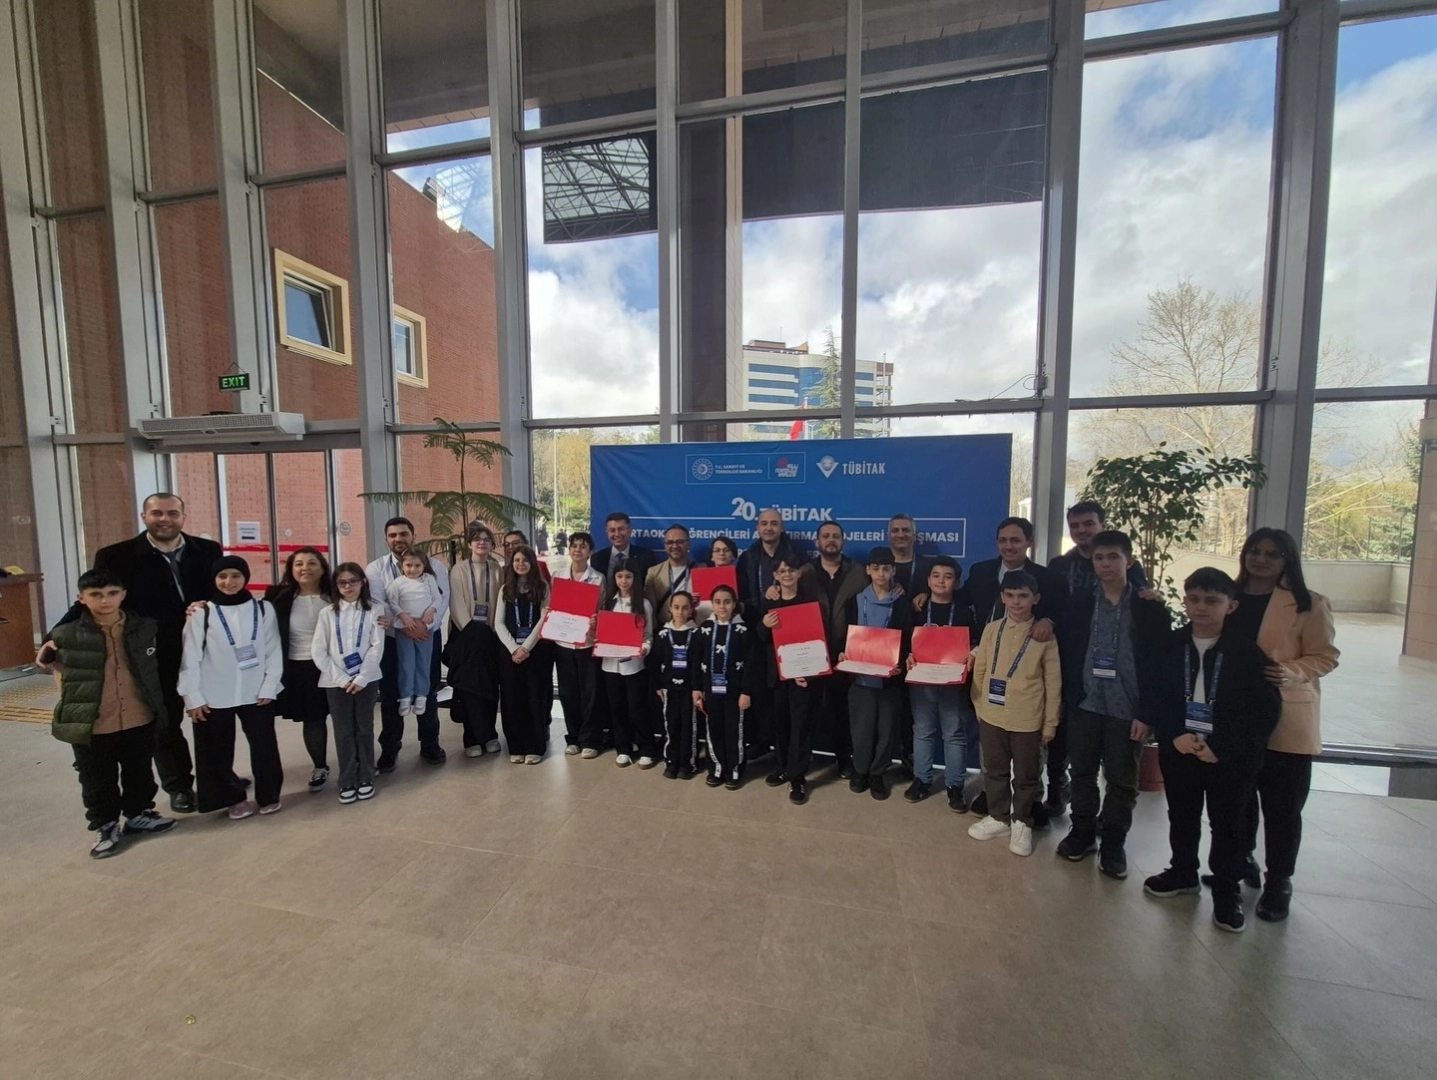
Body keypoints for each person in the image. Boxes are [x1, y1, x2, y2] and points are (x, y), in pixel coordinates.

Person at [42, 492, 223, 813]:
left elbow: (222, 592)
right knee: (164, 723)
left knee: (212, 716)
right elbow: (94, 597)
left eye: (172, 513)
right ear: (144, 517)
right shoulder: (116, 556)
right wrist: (53, 636)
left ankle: (219, 779)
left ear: (183, 517)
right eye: (157, 513)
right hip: (151, 652)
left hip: (205, 648)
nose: (164, 519)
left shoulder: (207, 550)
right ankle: (179, 786)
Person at [1144, 567, 1282, 932]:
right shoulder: (1170, 645)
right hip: (1181, 747)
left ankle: (1226, 889)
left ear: (1230, 606)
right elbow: (1155, 695)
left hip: (1227, 756)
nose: (1201, 607)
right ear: (1185, 601)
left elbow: (1263, 712)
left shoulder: (1247, 653)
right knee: (1182, 814)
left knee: (1228, 823)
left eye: (1212, 601)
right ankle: (1183, 871)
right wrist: (1173, 734)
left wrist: (1222, 747)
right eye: (1194, 599)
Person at [1227, 528, 1340, 922]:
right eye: (1255, 551)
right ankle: (1240, 861)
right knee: (1237, 801)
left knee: (1283, 808)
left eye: (1272, 554)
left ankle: (1279, 882)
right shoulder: (1229, 597)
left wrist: (1290, 671)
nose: (1261, 559)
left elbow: (1325, 656)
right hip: (1234, 717)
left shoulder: (1309, 603)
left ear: (1287, 560)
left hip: (1286, 715)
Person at [1056, 531, 1168, 879]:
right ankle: (1082, 832)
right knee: (1082, 773)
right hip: (1085, 703)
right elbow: (1068, 651)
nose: (1105, 564)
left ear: (1129, 561)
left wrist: (1148, 715)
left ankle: (1114, 843)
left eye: (1113, 557)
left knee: (1122, 780)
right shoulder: (1079, 602)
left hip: (1127, 708)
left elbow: (1158, 666)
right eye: (1099, 558)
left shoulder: (1149, 607)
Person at [48, 569, 176, 858]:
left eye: (112, 593)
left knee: (139, 770)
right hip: (93, 720)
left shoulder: (144, 628)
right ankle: (105, 825)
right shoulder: (66, 634)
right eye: (96, 595)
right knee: (97, 778)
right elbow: (59, 673)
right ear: (81, 598)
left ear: (123, 595)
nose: (105, 600)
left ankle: (139, 814)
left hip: (138, 714)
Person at [959, 517, 1068, 820]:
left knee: (1028, 752)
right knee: (992, 745)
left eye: (1016, 540)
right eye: (1003, 540)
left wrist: (1050, 621)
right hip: (990, 657)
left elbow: (1064, 609)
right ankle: (992, 795)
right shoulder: (981, 571)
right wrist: (925, 595)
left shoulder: (1048, 578)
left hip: (1026, 671)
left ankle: (1031, 801)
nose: (1009, 546)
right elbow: (960, 598)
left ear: (1029, 542)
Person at [178, 556, 284, 820]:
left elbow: (273, 650)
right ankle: (231, 798)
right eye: (222, 576)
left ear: (245, 577)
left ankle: (269, 794)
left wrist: (269, 686)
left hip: (256, 691)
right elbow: (190, 657)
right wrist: (192, 697)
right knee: (215, 751)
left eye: (236, 575)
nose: (229, 582)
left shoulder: (263, 609)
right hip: (214, 692)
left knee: (264, 746)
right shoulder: (201, 613)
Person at [967, 570, 1062, 857]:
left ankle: (1022, 822)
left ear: (1036, 599)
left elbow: (1053, 683)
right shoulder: (992, 629)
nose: (1016, 601)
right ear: (1002, 598)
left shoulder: (1044, 636)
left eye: (1023, 596)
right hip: (991, 714)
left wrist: (1050, 724)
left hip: (1027, 718)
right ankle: (999, 817)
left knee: (1026, 775)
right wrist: (979, 705)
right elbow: (981, 670)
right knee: (994, 769)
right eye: (1010, 595)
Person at [365, 517, 449, 770]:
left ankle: (430, 743)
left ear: (413, 536)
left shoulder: (434, 566)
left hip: (427, 635)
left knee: (428, 689)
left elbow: (442, 598)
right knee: (391, 693)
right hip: (392, 639)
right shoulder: (376, 569)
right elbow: (379, 604)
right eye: (393, 535)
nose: (398, 539)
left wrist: (425, 627)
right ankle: (390, 748)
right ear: (386, 539)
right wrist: (405, 627)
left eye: (403, 534)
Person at [840, 546, 912, 801]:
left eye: (886, 569)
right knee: (861, 729)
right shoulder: (855, 602)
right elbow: (845, 635)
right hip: (860, 678)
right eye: (876, 568)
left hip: (889, 679)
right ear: (868, 570)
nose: (881, 573)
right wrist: (842, 653)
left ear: (894, 571)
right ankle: (860, 770)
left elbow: (906, 639)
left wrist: (900, 662)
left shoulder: (901, 604)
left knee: (886, 729)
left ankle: (878, 773)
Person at [312, 563, 387, 804]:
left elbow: (376, 647)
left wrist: (362, 677)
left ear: (362, 582)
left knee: (364, 728)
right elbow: (319, 651)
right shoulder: (327, 613)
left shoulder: (375, 610)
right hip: (336, 682)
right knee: (343, 731)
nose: (348, 586)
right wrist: (342, 679)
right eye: (342, 582)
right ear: (336, 585)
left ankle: (366, 776)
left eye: (353, 581)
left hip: (367, 680)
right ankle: (346, 780)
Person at [908, 556, 976, 812]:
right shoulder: (917, 608)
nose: (941, 581)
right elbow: (905, 639)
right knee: (922, 730)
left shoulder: (964, 611)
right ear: (928, 581)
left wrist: (972, 653)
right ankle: (922, 779)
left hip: (952, 682)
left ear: (956, 582)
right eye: (936, 576)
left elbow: (975, 642)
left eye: (948, 577)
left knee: (954, 733)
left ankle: (955, 785)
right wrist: (907, 655)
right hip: (922, 680)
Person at [801, 520, 867, 778]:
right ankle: (801, 763)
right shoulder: (803, 572)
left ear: (843, 541)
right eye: (826, 536)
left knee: (842, 712)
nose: (831, 540)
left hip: (844, 653)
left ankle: (843, 759)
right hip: (811, 653)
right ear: (817, 542)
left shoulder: (858, 573)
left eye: (835, 536)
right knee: (807, 711)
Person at [265, 547, 334, 792]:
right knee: (313, 719)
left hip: (335, 666)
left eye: (312, 563)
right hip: (299, 667)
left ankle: (356, 760)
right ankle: (320, 766)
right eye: (299, 564)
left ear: (323, 568)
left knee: (346, 718)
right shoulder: (278, 598)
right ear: (291, 569)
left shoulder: (335, 595)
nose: (305, 568)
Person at [759, 552, 823, 804]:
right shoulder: (768, 602)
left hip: (802, 676)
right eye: (781, 571)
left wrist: (806, 671)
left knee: (800, 726)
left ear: (798, 573)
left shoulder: (809, 602)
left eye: (791, 569)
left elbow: (815, 640)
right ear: (775, 575)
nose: (786, 574)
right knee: (781, 724)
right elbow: (760, 639)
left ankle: (797, 776)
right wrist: (764, 625)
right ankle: (783, 766)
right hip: (777, 676)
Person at [737, 508, 794, 757]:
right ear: (757, 528)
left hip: (787, 635)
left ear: (782, 527)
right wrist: (761, 602)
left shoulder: (795, 556)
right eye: (764, 523)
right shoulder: (748, 557)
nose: (768, 528)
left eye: (774, 523)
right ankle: (761, 741)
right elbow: (740, 597)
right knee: (758, 690)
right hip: (755, 632)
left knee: (784, 697)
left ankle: (785, 750)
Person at [446, 523, 505, 758]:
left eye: (486, 539)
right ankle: (471, 738)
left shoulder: (497, 569)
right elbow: (456, 603)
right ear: (469, 544)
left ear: (492, 545)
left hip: (492, 634)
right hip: (467, 635)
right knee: (470, 689)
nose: (482, 543)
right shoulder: (458, 570)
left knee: (489, 687)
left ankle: (489, 735)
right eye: (477, 539)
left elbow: (502, 600)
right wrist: (470, 629)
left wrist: (494, 629)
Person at [691, 583, 754, 789]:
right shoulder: (705, 629)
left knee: (734, 730)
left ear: (734, 604)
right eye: (717, 602)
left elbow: (751, 663)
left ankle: (734, 768)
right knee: (713, 729)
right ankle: (716, 767)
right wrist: (697, 688)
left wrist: (746, 691)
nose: (722, 606)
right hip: (710, 690)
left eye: (727, 602)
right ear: (712, 604)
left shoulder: (743, 630)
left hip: (735, 692)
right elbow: (696, 659)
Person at [494, 544, 553, 764]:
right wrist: (514, 649)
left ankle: (535, 746)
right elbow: (498, 623)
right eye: (517, 560)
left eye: (525, 560)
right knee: (512, 698)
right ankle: (516, 746)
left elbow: (544, 619)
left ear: (532, 563)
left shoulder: (542, 588)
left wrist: (526, 648)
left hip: (536, 652)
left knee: (535, 698)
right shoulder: (505, 589)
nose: (521, 564)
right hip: (510, 654)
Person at [551, 531, 607, 758]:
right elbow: (552, 605)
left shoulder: (598, 578)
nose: (577, 550)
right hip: (563, 643)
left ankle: (590, 740)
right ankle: (573, 738)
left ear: (590, 551)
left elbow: (603, 609)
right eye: (574, 546)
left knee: (590, 694)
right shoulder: (558, 576)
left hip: (587, 643)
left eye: (583, 546)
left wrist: (597, 619)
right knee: (568, 693)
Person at [601, 563, 658, 768]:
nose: (623, 581)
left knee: (637, 708)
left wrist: (645, 648)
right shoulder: (608, 603)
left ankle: (646, 748)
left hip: (634, 665)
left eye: (628, 576)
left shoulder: (643, 604)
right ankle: (623, 748)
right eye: (619, 576)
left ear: (635, 579)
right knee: (617, 708)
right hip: (610, 665)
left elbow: (649, 635)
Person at [384, 551, 444, 717]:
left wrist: (431, 610)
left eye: (417, 565)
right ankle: (405, 695)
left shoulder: (428, 579)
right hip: (404, 628)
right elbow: (392, 603)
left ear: (424, 566)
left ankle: (421, 694)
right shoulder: (397, 583)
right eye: (408, 565)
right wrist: (403, 617)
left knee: (423, 662)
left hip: (425, 627)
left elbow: (437, 599)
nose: (412, 569)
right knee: (406, 663)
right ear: (402, 566)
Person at [652, 589, 700, 779]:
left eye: (685, 608)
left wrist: (697, 688)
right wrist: (657, 685)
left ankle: (687, 763)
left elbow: (698, 664)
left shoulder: (696, 634)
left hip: (689, 689)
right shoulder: (663, 634)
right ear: (670, 609)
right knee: (671, 725)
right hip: (669, 688)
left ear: (691, 610)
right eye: (677, 607)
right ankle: (671, 761)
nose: (680, 612)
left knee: (689, 726)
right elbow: (655, 661)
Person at [644, 524, 697, 627]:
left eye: (680, 542)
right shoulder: (654, 572)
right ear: (665, 545)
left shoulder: (701, 570)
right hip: (664, 628)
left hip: (694, 628)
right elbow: (650, 608)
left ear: (689, 544)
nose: (675, 546)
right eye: (670, 542)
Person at [592, 512, 657, 582]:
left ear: (630, 531)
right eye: (612, 530)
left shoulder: (645, 556)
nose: (617, 534)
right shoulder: (597, 558)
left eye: (621, 529)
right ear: (607, 533)